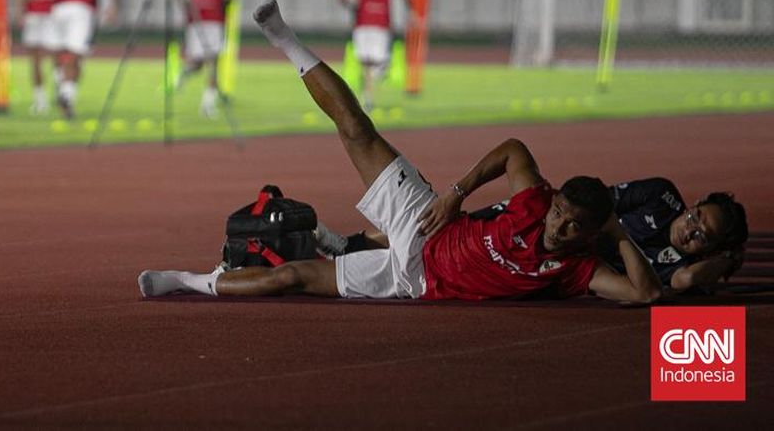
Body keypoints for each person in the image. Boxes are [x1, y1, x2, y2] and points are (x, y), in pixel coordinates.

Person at [138, 0, 662, 304]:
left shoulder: (577, 269)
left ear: (589, 233)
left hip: (412, 280)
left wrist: (615, 231)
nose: (558, 226)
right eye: (561, 213)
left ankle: (186, 280)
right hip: (428, 222)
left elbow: (645, 295)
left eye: (573, 226)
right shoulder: (536, 203)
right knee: (356, 130)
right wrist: (456, 193)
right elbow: (514, 149)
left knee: (290, 277)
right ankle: (284, 39)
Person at [319, 178, 750, 295]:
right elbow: (597, 199)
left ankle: (347, 254)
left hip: (563, 263)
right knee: (449, 226)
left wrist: (725, 262)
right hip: (559, 228)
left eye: (703, 235)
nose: (691, 228)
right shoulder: (660, 194)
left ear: (712, 248)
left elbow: (682, 283)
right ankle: (353, 244)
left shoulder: (684, 266)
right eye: (696, 215)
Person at [51, 0, 118, 119]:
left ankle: (59, 80)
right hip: (82, 8)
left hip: (59, 7)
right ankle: (66, 93)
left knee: (60, 51)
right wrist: (113, 4)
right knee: (76, 55)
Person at [339, 0, 407, 111]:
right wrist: (413, 8)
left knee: (366, 62)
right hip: (381, 21)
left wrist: (353, 6)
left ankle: (371, 90)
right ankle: (368, 97)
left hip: (362, 22)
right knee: (375, 62)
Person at [178, 0, 233, 118]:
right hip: (214, 17)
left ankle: (186, 79)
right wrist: (225, 11)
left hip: (195, 16)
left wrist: (185, 3)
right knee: (211, 62)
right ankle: (207, 105)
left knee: (201, 62)